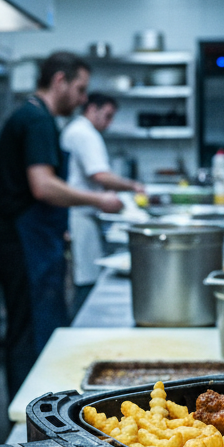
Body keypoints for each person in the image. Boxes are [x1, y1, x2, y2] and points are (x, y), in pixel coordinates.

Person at [0, 53, 123, 400]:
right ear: (59, 80)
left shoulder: (31, 116)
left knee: (32, 328)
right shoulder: (37, 120)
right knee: (31, 332)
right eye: (80, 89)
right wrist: (99, 199)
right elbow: (43, 186)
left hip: (31, 238)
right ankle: (29, 414)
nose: (82, 99)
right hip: (25, 243)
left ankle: (33, 409)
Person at [61, 92, 145, 308]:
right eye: (107, 116)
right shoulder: (84, 133)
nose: (109, 123)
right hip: (80, 216)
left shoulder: (77, 130)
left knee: (84, 275)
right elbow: (100, 175)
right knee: (86, 279)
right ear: (92, 109)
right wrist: (133, 186)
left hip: (79, 214)